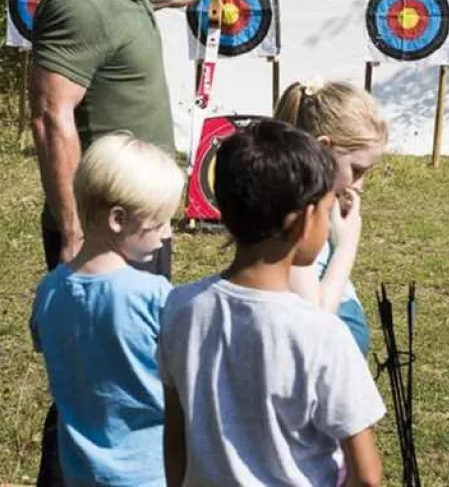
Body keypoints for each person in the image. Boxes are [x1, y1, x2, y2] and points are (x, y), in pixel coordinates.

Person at [29, 0, 226, 486]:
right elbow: (50, 118)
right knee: (91, 385)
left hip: (136, 217)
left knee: (136, 375)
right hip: (100, 227)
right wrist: (73, 233)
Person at [158, 119, 385, 486]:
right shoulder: (324, 335)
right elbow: (368, 477)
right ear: (305, 219)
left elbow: (175, 437)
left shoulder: (179, 309)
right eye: (327, 209)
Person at [30, 133, 185, 487]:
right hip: (150, 475)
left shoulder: (49, 290)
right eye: (158, 222)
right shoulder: (154, 296)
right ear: (118, 219)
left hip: (77, 473)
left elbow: (48, 346)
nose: (165, 235)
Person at [274, 79, 388, 356]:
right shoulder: (297, 215)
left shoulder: (315, 207)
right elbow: (316, 320)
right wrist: (347, 244)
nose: (359, 186)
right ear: (322, 149)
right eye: (357, 170)